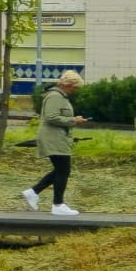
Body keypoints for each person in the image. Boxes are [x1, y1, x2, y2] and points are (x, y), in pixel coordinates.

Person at [29, 74, 80, 210]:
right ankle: (57, 204)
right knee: (63, 170)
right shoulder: (55, 96)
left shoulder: (59, 96)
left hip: (58, 137)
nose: (75, 90)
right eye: (75, 87)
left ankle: (34, 192)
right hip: (53, 138)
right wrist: (73, 120)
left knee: (61, 170)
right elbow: (51, 117)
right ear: (67, 85)